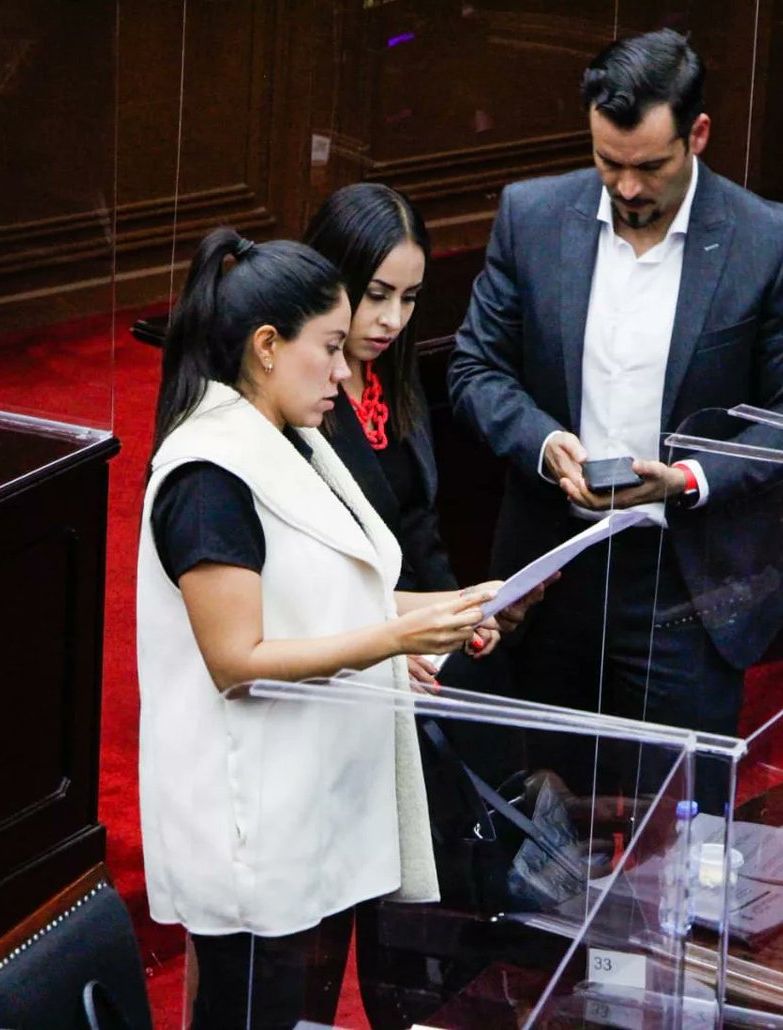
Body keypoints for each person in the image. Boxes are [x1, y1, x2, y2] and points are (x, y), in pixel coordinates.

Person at [448, 29, 783, 809]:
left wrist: (686, 480)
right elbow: (473, 368)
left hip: (686, 590)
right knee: (550, 833)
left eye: (649, 167)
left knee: (683, 835)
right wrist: (547, 443)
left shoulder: (772, 241)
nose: (625, 188)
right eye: (607, 162)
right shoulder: (531, 216)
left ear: (698, 134)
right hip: (553, 575)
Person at [137, 226, 499, 1029]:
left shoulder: (291, 442)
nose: (346, 370)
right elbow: (239, 659)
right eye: (330, 347)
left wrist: (449, 607)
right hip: (253, 833)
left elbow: (330, 599)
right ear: (267, 346)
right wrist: (398, 639)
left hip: (313, 804)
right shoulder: (208, 476)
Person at [301, 183, 539, 1027]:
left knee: (469, 901)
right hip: (359, 677)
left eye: (408, 297)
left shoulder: (393, 383)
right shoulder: (298, 402)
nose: (391, 319)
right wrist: (413, 625)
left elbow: (418, 531)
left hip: (436, 659)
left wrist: (474, 612)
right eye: (374, 296)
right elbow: (314, 581)